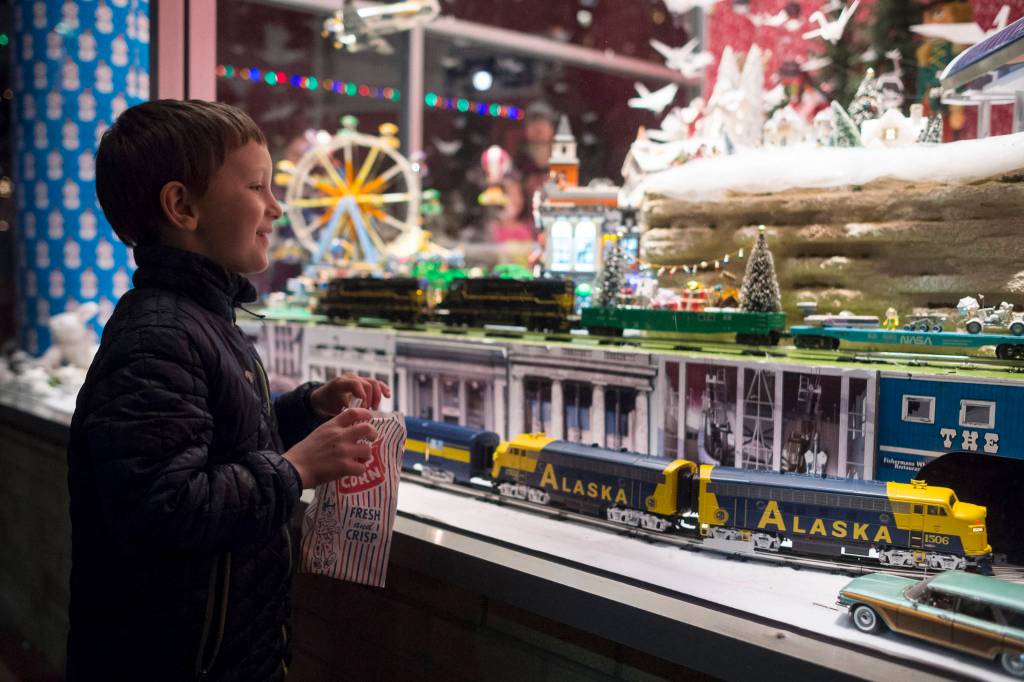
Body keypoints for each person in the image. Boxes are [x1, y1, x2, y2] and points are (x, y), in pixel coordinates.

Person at [67, 99, 389, 681]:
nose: (276, 207)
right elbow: (165, 506)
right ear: (182, 206)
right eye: (258, 187)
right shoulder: (160, 336)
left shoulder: (195, 319)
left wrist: (305, 410)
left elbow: (216, 442)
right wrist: (296, 469)